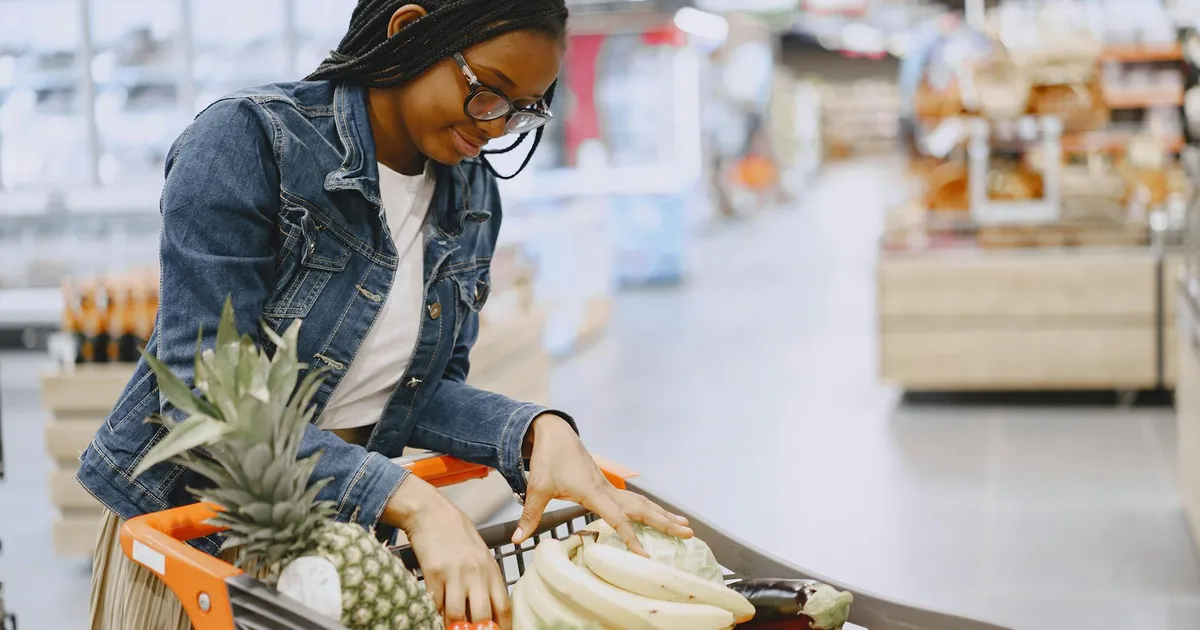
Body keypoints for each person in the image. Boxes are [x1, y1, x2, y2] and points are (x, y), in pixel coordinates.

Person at [77, 2, 693, 628]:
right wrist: (410, 502)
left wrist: (536, 430)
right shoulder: (250, 143)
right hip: (195, 539)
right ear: (409, 30)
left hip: (342, 538)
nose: (498, 127)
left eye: (524, 109)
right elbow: (205, 400)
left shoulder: (472, 194)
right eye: (490, 93)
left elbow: (420, 392)